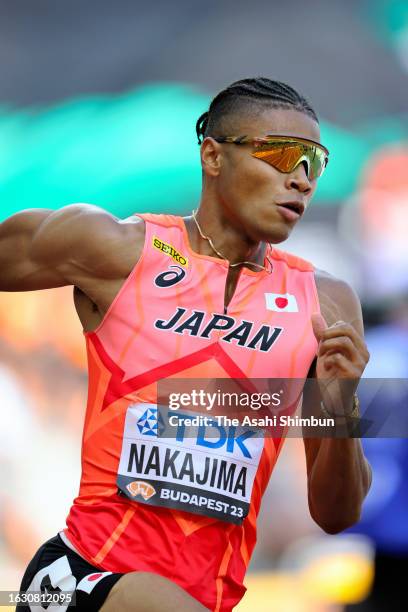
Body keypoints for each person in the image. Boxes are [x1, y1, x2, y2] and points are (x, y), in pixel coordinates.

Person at [1, 78, 371, 612]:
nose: (302, 178)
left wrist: (341, 405)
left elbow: (337, 517)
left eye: (316, 161)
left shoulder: (326, 303)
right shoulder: (117, 249)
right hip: (78, 577)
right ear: (213, 155)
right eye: (282, 154)